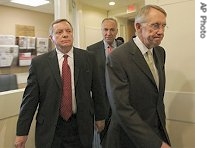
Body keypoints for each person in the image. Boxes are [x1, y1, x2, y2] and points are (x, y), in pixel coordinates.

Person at [14, 18, 106, 148]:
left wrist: (100, 116)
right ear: (51, 38)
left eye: (68, 31)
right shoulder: (39, 63)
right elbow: (29, 100)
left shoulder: (88, 58)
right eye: (59, 32)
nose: (65, 34)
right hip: (50, 128)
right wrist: (22, 132)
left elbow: (98, 90)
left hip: (80, 125)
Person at [105, 5, 171, 148]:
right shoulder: (117, 57)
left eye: (163, 26)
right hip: (127, 139)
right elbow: (121, 108)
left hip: (156, 133)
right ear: (138, 26)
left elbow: (156, 99)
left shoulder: (160, 53)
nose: (161, 31)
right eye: (155, 25)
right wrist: (155, 143)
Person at [86, 18, 123, 146]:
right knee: (105, 141)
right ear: (101, 30)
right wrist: (97, 114)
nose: (108, 33)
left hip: (122, 103)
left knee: (122, 140)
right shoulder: (91, 50)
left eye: (112, 29)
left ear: (117, 31)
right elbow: (91, 82)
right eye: (105, 29)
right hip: (102, 105)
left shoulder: (125, 49)